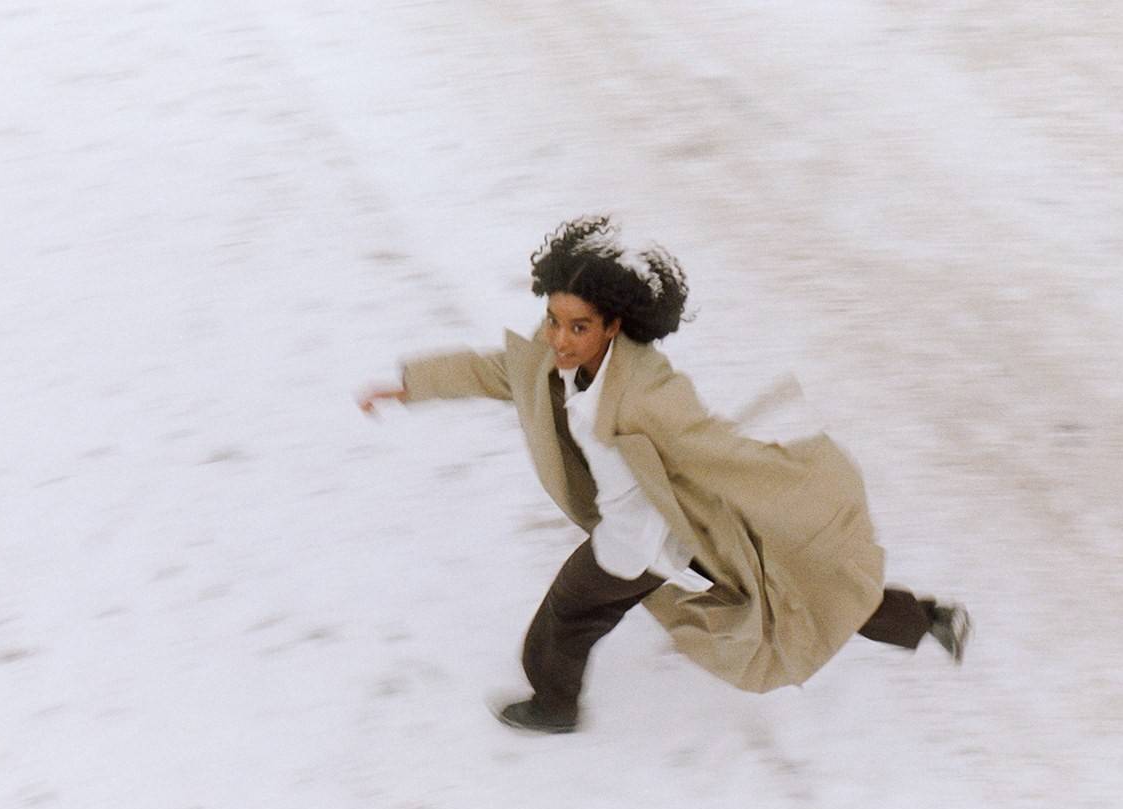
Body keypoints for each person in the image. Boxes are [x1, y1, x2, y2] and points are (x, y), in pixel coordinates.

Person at [357, 216, 970, 734]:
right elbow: (497, 371)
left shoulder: (649, 392)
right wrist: (412, 385)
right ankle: (928, 618)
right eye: (553, 320)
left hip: (641, 540)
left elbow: (714, 445)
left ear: (614, 326)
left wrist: (799, 479)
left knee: (568, 615)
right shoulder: (559, 361)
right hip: (681, 524)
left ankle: (554, 705)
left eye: (578, 328)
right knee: (795, 588)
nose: (560, 340)